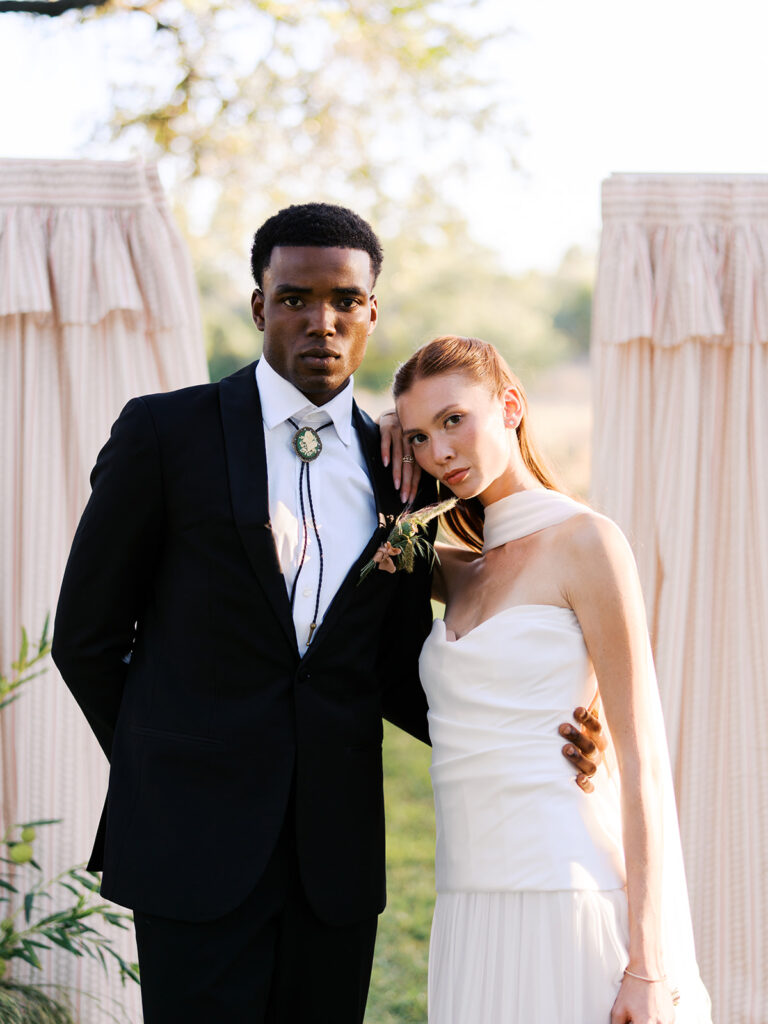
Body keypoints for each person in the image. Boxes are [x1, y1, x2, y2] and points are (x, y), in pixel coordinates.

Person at [52, 204, 601, 1024]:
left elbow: (395, 661)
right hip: (191, 841)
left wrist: (541, 731)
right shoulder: (166, 433)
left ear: (372, 311)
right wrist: (165, 764)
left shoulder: (400, 469)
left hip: (335, 852)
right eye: (296, 297)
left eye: (345, 300)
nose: (322, 321)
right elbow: (86, 639)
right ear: (258, 306)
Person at [392, 335, 712, 1024]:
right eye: (418, 436)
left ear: (510, 405)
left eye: (455, 419)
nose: (439, 451)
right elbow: (378, 542)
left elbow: (644, 762)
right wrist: (381, 442)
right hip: (468, 906)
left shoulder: (587, 542)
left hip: (565, 897)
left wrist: (648, 965)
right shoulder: (460, 569)